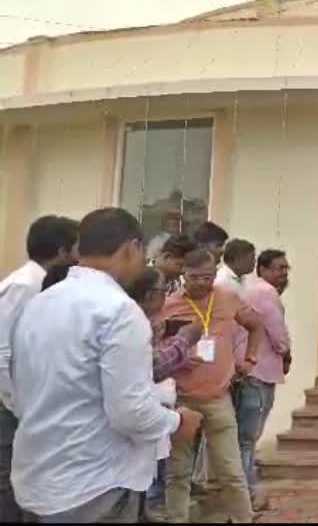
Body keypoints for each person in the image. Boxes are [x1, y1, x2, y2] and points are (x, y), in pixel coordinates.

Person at [9, 208, 201, 523]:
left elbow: (18, 387)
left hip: (37, 478)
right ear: (132, 248)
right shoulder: (119, 312)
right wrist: (177, 423)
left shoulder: (40, 303)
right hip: (95, 484)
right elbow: (129, 411)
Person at [160, 249, 265, 524]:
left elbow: (256, 326)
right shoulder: (169, 305)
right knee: (178, 471)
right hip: (182, 399)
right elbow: (157, 348)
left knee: (230, 470)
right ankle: (176, 519)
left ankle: (244, 518)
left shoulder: (227, 298)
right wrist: (177, 358)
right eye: (194, 278)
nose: (201, 283)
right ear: (184, 275)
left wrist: (250, 359)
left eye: (207, 277)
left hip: (218, 397)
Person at [0, 215, 79, 523]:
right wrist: (17, 405)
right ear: (62, 251)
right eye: (78, 248)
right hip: (10, 404)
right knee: (8, 484)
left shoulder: (45, 285)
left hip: (27, 402)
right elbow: (2, 352)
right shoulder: (23, 286)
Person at [127, 266, 204, 523]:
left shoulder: (142, 322)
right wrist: (183, 340)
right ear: (150, 295)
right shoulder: (129, 322)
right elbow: (152, 367)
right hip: (137, 421)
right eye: (163, 291)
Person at [232, 249, 291, 512]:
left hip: (253, 370)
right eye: (279, 268)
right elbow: (277, 333)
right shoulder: (265, 293)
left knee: (246, 438)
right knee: (248, 438)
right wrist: (287, 353)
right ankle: (247, 496)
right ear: (264, 269)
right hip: (258, 371)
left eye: (286, 269)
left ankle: (245, 493)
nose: (283, 273)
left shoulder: (252, 290)